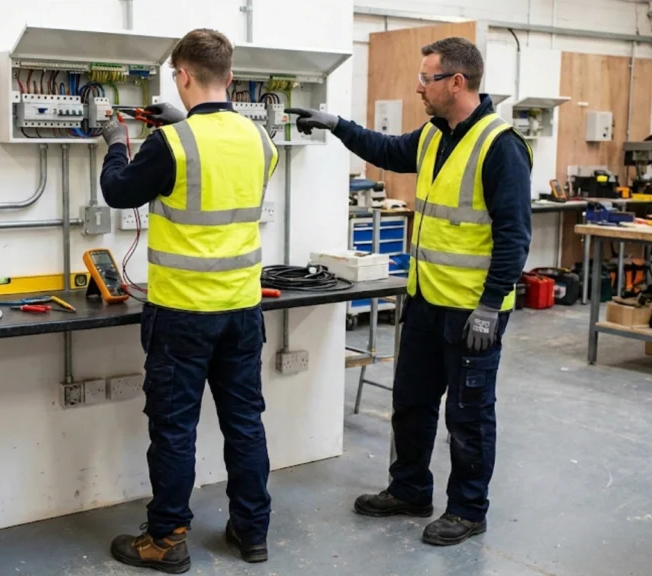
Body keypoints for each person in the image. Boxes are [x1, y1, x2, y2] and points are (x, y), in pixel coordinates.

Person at [288, 37, 532, 547]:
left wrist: (491, 306)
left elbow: (514, 235)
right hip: (425, 301)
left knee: (467, 416)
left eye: (428, 78)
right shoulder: (435, 135)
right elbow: (388, 150)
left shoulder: (499, 145)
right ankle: (410, 489)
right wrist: (338, 126)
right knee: (411, 403)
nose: (419, 86)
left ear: (457, 82)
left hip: (471, 311)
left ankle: (467, 510)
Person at [98, 28, 278, 574]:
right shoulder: (260, 140)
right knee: (245, 422)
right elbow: (218, 173)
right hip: (243, 309)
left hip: (182, 315)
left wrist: (112, 140)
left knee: (174, 429)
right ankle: (251, 532)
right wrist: (181, 123)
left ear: (181, 77)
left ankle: (166, 539)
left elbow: (118, 191)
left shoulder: (170, 144)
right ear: (229, 78)